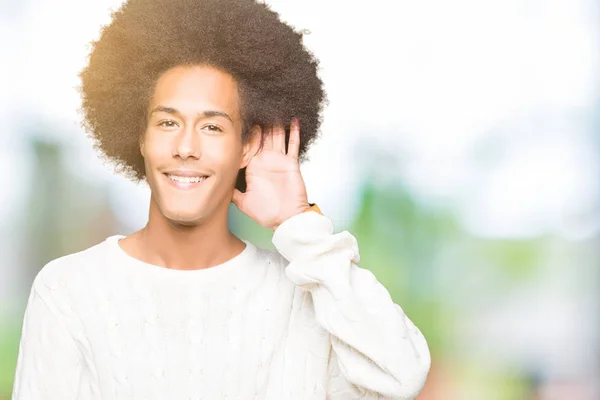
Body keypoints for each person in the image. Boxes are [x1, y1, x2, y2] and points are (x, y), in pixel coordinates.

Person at [11, 0, 430, 398]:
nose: (186, 147)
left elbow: (400, 377)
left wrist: (300, 224)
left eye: (212, 127)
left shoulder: (306, 293)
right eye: (168, 122)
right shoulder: (68, 290)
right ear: (140, 137)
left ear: (247, 146)